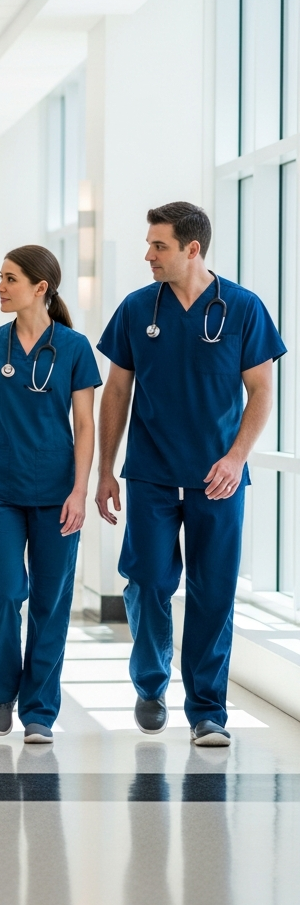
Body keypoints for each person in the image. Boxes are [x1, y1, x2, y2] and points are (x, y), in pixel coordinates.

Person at [95, 202, 285, 747]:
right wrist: (106, 470)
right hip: (151, 472)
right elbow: (117, 391)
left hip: (218, 477)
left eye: (159, 246)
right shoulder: (138, 309)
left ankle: (207, 709)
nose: (148, 254)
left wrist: (237, 457)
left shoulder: (243, 307)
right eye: (150, 244)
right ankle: (151, 682)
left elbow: (262, 390)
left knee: (213, 591)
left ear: (192, 248)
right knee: (149, 580)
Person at [0, 245, 101, 743]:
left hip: (58, 491)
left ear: (40, 288)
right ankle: (0, 691)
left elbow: (84, 424)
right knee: (7, 588)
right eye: (0, 277)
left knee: (51, 602)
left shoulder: (74, 348)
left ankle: (39, 709)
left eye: (9, 279)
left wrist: (80, 491)